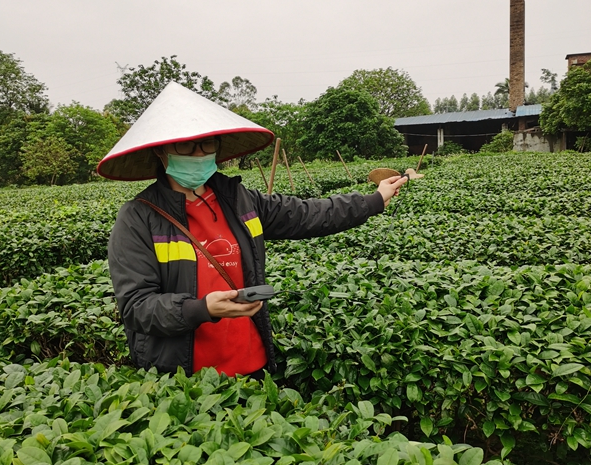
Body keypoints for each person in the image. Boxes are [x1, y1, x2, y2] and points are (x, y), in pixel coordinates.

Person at [98, 81, 409, 378]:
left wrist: (374, 200)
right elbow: (137, 307)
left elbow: (309, 214)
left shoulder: (240, 200)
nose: (198, 153)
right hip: (187, 380)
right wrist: (201, 308)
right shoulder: (137, 219)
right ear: (161, 151)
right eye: (185, 144)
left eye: (206, 143)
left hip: (253, 364)